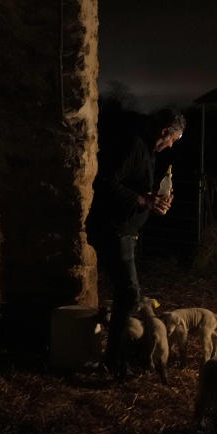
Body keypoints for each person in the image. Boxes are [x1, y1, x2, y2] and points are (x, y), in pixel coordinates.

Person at [86, 106, 185, 379]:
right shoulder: (132, 145)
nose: (171, 146)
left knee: (125, 293)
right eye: (173, 139)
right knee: (129, 293)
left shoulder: (148, 152)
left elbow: (133, 186)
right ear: (164, 131)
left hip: (127, 229)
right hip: (114, 228)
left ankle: (116, 356)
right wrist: (143, 201)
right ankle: (114, 360)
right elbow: (106, 183)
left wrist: (154, 200)